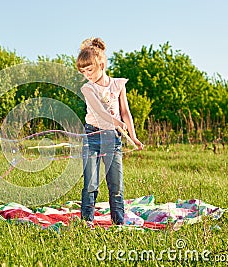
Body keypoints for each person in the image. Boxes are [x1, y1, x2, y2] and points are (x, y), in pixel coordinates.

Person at [76, 37, 144, 227]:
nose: (87, 74)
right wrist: (117, 123)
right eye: (83, 71)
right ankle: (86, 222)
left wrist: (133, 136)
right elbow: (101, 112)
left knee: (116, 184)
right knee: (90, 183)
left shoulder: (118, 85)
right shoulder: (87, 88)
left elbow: (125, 112)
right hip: (92, 137)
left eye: (89, 69)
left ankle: (118, 223)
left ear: (102, 64)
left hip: (112, 139)